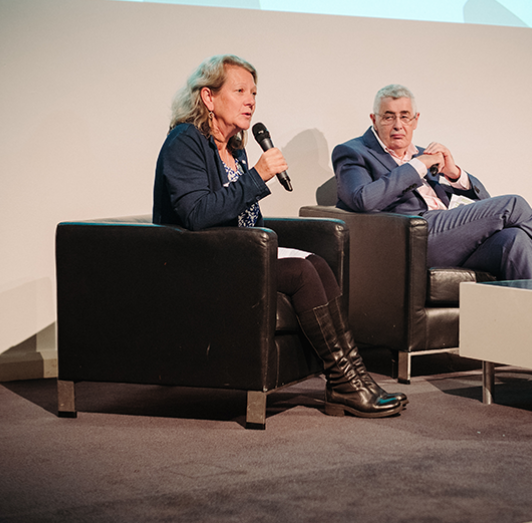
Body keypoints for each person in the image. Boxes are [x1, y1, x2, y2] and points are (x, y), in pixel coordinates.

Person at [153, 55, 406, 418]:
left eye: (254, 92)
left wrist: (253, 187)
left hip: (236, 254)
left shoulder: (234, 146)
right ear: (208, 97)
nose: (250, 100)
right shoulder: (185, 141)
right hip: (198, 263)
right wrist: (257, 177)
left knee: (316, 264)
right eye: (239, 90)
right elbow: (197, 214)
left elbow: (241, 214)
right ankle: (345, 383)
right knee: (303, 272)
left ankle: (352, 380)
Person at [332, 84, 532, 280]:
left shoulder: (426, 154)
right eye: (388, 117)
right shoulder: (353, 152)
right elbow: (362, 198)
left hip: (451, 238)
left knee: (516, 240)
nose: (398, 125)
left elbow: (488, 205)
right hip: (413, 238)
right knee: (514, 204)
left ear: (415, 120)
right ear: (374, 119)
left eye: (405, 117)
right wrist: (417, 167)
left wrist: (455, 173)